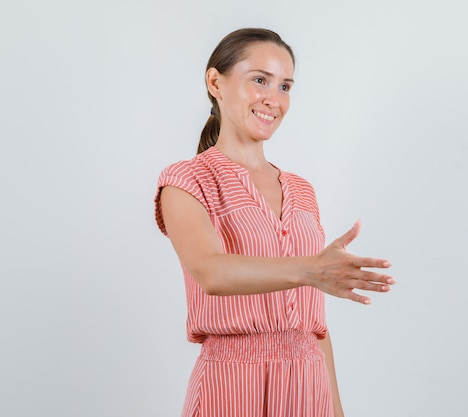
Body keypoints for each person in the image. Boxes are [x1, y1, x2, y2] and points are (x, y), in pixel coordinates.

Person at [154, 28, 395, 417]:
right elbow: (211, 272)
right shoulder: (186, 181)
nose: (274, 99)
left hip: (307, 384)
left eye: (285, 86)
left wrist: (336, 410)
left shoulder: (302, 190)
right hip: (231, 386)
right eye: (260, 80)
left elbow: (315, 327)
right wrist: (312, 270)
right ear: (216, 82)